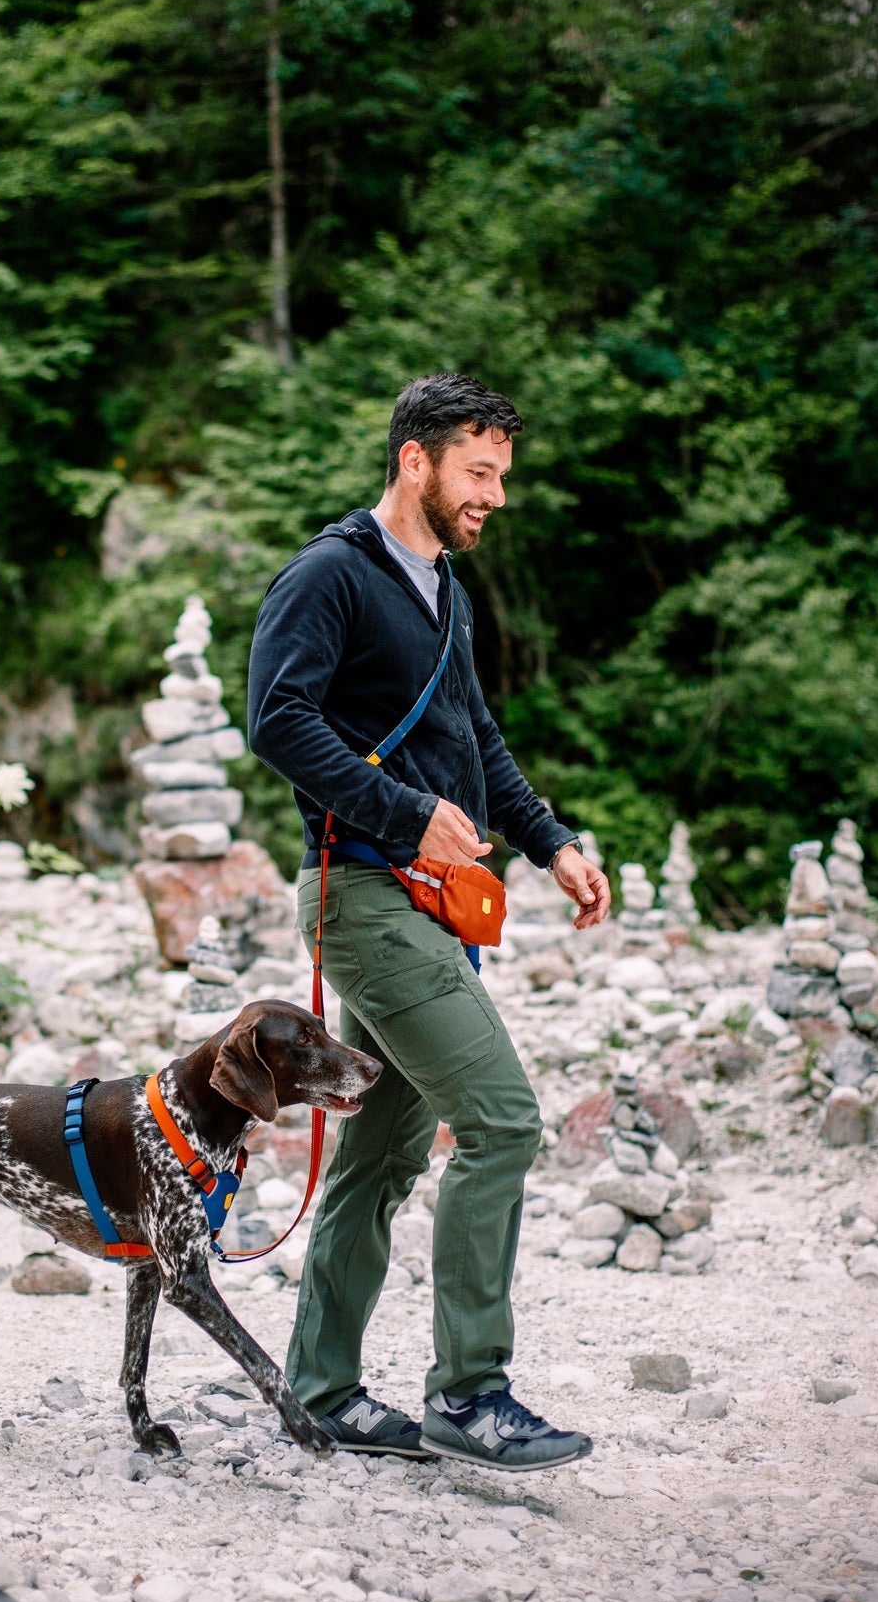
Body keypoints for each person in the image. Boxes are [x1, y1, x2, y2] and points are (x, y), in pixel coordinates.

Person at [246, 372, 611, 1469]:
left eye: (501, 475)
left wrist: (550, 840)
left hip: (432, 906)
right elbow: (275, 720)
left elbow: (476, 737)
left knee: (384, 1151)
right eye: (479, 472)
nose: (494, 494)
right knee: (502, 1120)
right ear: (417, 460)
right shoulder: (330, 576)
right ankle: (471, 1393)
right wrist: (407, 813)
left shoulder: (444, 588)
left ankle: (319, 1391)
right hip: (360, 894)